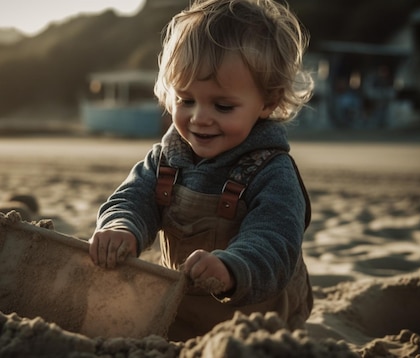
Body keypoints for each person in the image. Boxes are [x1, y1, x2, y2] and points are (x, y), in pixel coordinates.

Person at [89, 0, 314, 340]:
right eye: (186, 100)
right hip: (181, 308)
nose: (199, 118)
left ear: (268, 102)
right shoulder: (166, 159)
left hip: (257, 319)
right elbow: (133, 199)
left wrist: (232, 267)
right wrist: (122, 227)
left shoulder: (272, 171)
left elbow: (275, 240)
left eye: (223, 106)